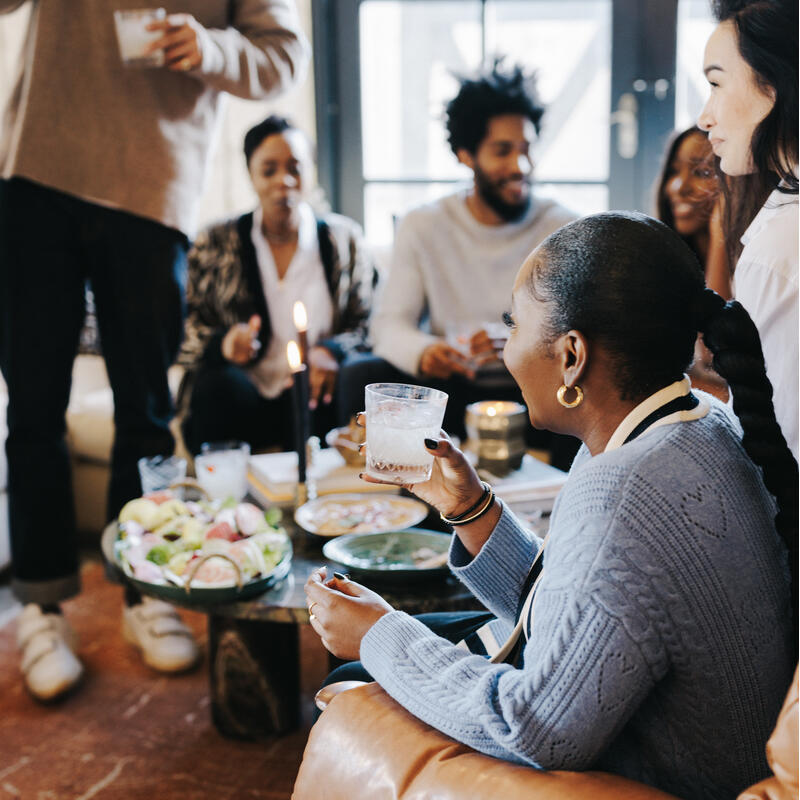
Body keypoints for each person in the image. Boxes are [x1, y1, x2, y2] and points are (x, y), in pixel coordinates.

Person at [305, 212, 796, 800]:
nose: (506, 347)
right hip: (667, 729)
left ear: (571, 356)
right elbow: (596, 606)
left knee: (358, 670)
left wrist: (378, 634)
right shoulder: (689, 422)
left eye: (514, 325)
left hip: (664, 777)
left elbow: (538, 726)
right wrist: (471, 508)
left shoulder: (625, 490)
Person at [0, 0, 308, 701]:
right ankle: (44, 608)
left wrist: (209, 48)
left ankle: (148, 588)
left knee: (145, 409)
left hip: (152, 183)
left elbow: (283, 54)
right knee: (35, 405)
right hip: (35, 172)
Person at [338, 60, 579, 469]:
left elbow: (582, 330)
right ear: (466, 155)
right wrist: (426, 351)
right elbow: (388, 326)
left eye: (527, 149)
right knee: (359, 373)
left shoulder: (562, 226)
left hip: (535, 390)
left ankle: (562, 498)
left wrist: (524, 342)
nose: (520, 166)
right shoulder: (424, 225)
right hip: (450, 389)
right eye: (503, 151)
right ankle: (396, 502)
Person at [178, 115, 376, 455]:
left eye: (295, 168)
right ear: (251, 175)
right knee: (216, 385)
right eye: (269, 170)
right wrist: (224, 345)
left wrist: (332, 350)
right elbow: (184, 329)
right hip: (243, 396)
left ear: (310, 172)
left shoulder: (344, 240)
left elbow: (369, 323)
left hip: (316, 398)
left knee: (353, 379)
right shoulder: (215, 241)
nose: (283, 180)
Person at [698, 0, 798, 460]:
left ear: (773, 84)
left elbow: (782, 447)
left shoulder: (780, 247)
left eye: (716, 83)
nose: (705, 117)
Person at [655, 126, 730, 398]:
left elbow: (714, 357)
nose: (678, 187)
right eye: (674, 172)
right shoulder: (666, 268)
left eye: (702, 173)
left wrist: (721, 234)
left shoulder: (754, 267)